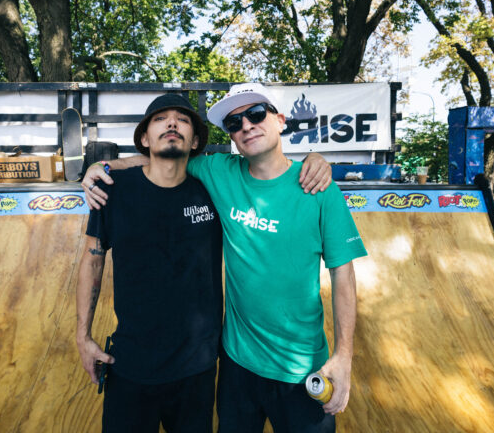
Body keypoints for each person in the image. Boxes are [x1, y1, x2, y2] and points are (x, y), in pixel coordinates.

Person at [83, 84, 368, 432]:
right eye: (234, 122)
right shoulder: (220, 173)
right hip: (237, 366)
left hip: (302, 367)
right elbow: (164, 155)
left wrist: (343, 357)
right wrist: (101, 164)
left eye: (257, 114)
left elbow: (343, 274)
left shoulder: (319, 188)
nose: (246, 125)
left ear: (280, 120)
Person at [75, 94, 223, 432]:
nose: (172, 124)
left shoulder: (214, 189)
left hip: (196, 369)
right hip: (129, 365)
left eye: (182, 119)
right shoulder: (113, 190)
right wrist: (83, 337)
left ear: (196, 140)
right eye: (161, 119)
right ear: (144, 138)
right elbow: (92, 260)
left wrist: (315, 158)